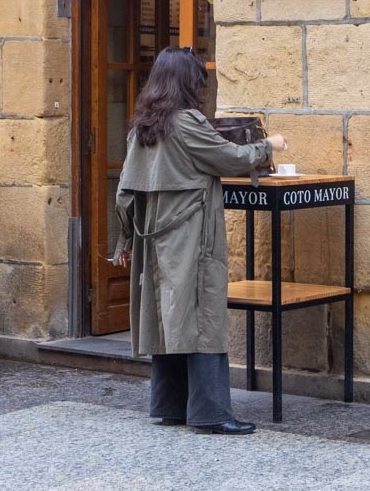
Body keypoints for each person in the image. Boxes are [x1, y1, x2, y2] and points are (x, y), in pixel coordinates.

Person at [109, 47, 288, 435]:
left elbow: (125, 191)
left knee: (168, 316)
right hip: (191, 233)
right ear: (186, 82)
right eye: (198, 81)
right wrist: (268, 145)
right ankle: (211, 413)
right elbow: (229, 157)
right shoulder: (186, 122)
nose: (202, 87)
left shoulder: (144, 126)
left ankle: (170, 406)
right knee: (202, 315)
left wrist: (124, 241)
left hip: (154, 238)